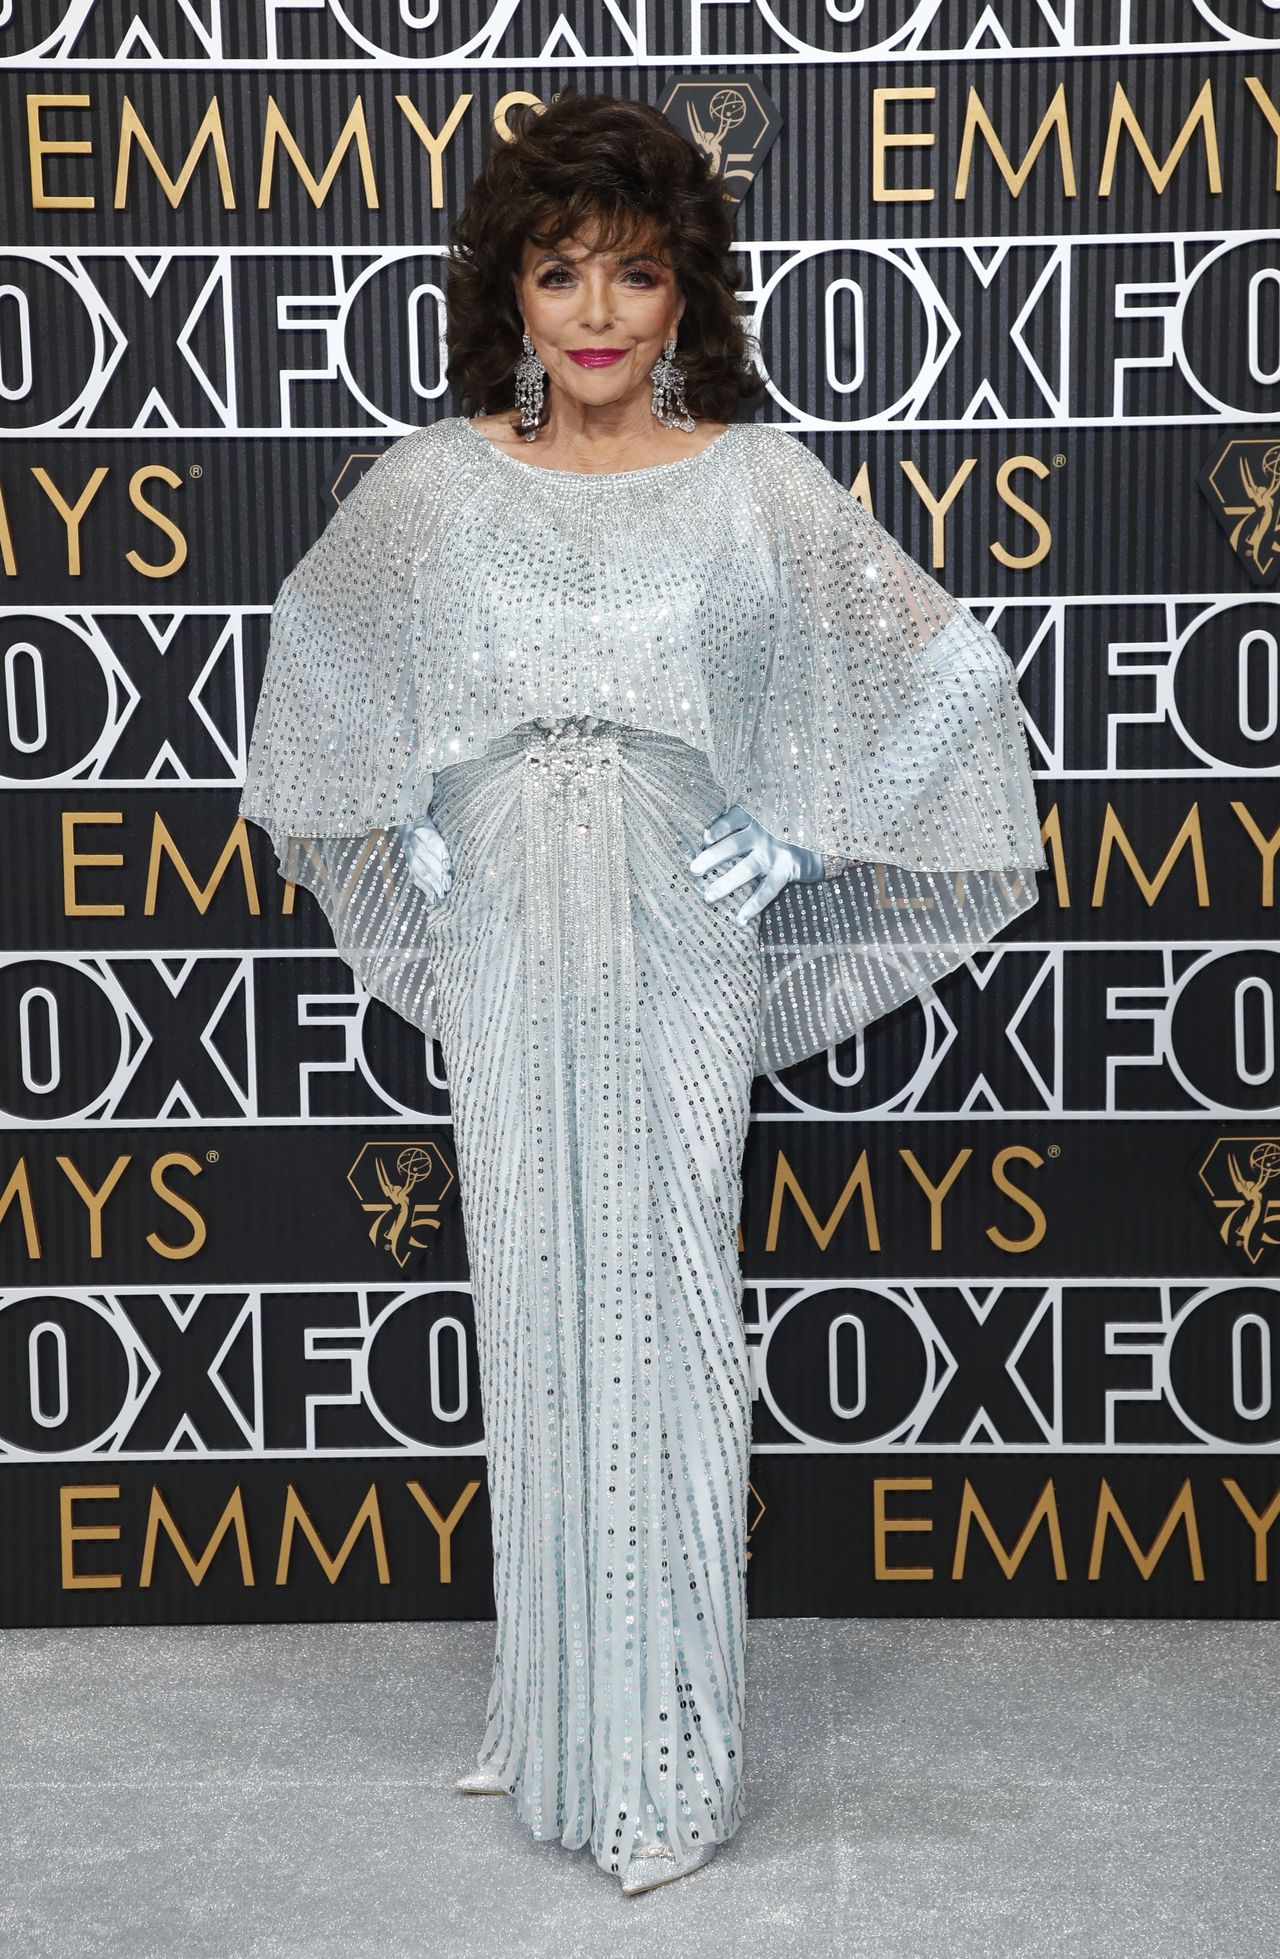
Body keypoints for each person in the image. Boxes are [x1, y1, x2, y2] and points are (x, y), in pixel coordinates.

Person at [239, 90, 1047, 1895]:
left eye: (633, 273)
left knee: (675, 1288)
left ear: (687, 295)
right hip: (510, 917)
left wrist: (811, 820)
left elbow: (948, 666)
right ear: (509, 299)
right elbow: (321, 653)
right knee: (528, 1285)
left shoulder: (758, 474)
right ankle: (555, 1723)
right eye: (558, 274)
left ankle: (669, 1755)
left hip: (683, 918)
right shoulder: (441, 479)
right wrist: (403, 815)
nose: (596, 313)